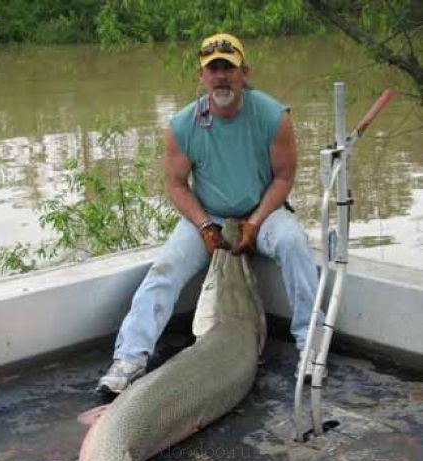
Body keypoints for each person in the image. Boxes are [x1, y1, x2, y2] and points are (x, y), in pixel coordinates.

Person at [97, 32, 325, 395]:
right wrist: (203, 225)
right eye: (213, 68)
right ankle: (129, 359)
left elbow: (284, 177)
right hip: (209, 215)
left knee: (295, 244)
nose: (221, 76)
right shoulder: (183, 125)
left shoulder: (273, 115)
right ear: (201, 76)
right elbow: (176, 185)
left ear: (244, 73)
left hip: (263, 213)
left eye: (229, 68)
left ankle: (310, 346)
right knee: (165, 269)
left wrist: (253, 222)